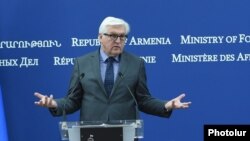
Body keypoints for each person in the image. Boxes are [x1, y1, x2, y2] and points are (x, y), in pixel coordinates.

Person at [34, 16, 191, 122]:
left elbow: (143, 100)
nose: (118, 41)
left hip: (125, 132)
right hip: (91, 133)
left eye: (123, 37)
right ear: (100, 37)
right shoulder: (82, 63)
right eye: (113, 36)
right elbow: (73, 101)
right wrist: (54, 103)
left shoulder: (136, 64)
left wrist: (167, 105)